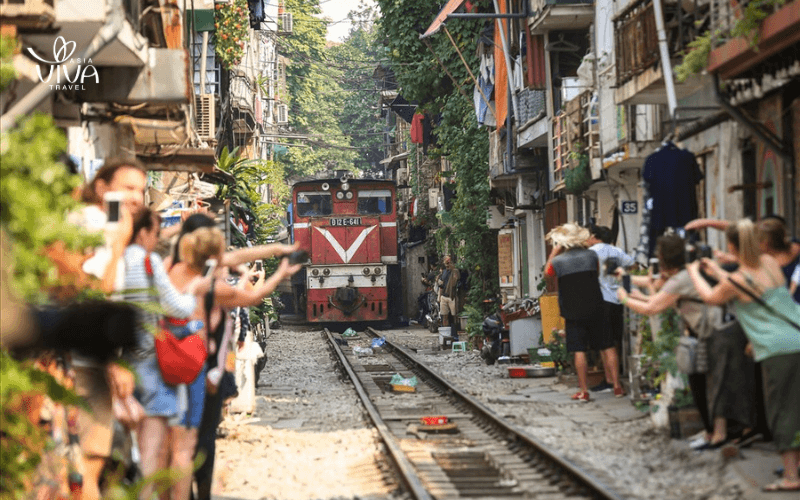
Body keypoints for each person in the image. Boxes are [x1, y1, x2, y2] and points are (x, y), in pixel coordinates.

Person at [165, 217, 302, 500]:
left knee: (176, 440)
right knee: (199, 438)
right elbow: (253, 297)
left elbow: (237, 256)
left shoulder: (170, 269)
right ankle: (198, 492)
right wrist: (279, 273)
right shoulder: (211, 288)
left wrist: (276, 248)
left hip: (168, 361)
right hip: (204, 365)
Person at [686, 219, 800, 492]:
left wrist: (695, 272)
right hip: (796, 338)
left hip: (775, 349)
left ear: (733, 247)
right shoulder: (770, 265)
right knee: (796, 405)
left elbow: (713, 296)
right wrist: (715, 268)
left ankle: (791, 477)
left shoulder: (738, 279)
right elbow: (749, 285)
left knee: (780, 411)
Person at [617, 234, 756, 450]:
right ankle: (727, 432)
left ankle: (721, 435)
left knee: (718, 384)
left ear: (664, 258)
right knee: (724, 382)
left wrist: (624, 299)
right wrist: (636, 294)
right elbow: (659, 299)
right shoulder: (687, 274)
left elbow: (652, 308)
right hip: (725, 329)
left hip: (718, 331)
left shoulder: (680, 280)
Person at [68, 158, 148, 499]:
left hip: (84, 362)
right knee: (89, 465)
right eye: (127, 188)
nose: (136, 198)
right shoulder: (98, 225)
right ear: (101, 187)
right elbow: (94, 291)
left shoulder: (98, 222)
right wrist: (118, 243)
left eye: (141, 191)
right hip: (86, 365)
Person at [120, 208, 208, 500]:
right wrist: (195, 288)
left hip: (122, 364)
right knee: (150, 451)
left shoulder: (116, 261)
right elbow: (178, 308)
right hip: (151, 365)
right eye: (156, 233)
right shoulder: (148, 262)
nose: (156, 239)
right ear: (144, 232)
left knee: (128, 449)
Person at [544, 223, 619, 401]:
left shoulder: (558, 261)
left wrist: (555, 251)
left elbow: (547, 274)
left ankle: (584, 391)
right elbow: (598, 272)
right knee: (607, 346)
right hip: (596, 305)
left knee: (579, 350)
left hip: (572, 310)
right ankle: (617, 387)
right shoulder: (591, 255)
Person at [587, 226, 633, 394]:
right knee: (614, 341)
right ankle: (613, 379)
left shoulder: (591, 252)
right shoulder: (616, 251)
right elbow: (632, 264)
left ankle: (612, 382)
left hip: (601, 301)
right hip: (617, 300)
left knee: (605, 344)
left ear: (594, 236)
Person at [437, 255, 460, 337]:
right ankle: (445, 334)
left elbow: (455, 281)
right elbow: (441, 284)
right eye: (446, 262)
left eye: (448, 262)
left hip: (451, 296)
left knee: (453, 315)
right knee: (444, 315)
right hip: (444, 296)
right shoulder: (443, 272)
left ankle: (454, 333)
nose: (447, 264)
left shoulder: (454, 271)